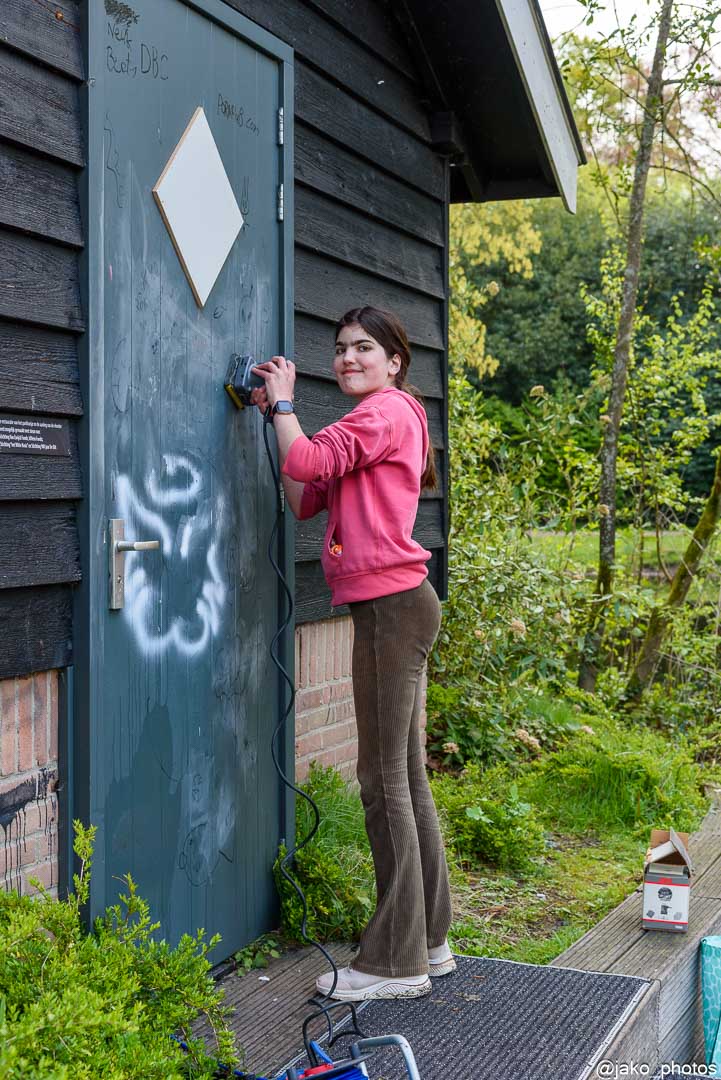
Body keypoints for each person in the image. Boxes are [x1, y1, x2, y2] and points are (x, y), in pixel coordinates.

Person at [250, 306, 454, 1002]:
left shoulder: (381, 412)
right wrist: (272, 421)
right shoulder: (376, 422)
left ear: (394, 361)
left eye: (363, 348)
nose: (346, 358)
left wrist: (283, 405)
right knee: (406, 777)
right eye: (339, 348)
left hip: (391, 611)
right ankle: (429, 939)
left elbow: (306, 455)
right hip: (397, 604)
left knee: (381, 781)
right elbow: (305, 494)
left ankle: (395, 964)